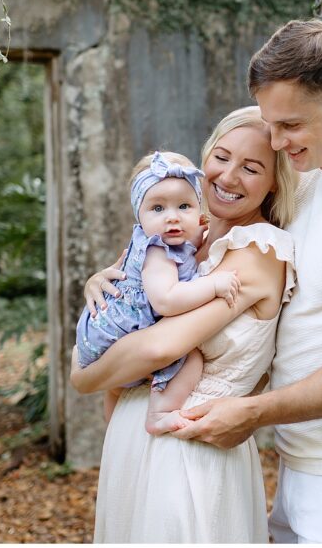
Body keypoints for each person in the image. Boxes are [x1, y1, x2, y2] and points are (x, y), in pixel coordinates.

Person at [86, 20, 322, 542]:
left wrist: (252, 414)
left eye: (291, 125)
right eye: (271, 125)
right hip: (299, 466)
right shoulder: (305, 189)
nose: (277, 141)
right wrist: (114, 283)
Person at [70, 106, 298, 542]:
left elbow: (159, 347)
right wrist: (99, 284)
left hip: (190, 444)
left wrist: (83, 380)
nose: (228, 177)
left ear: (274, 182)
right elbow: (119, 313)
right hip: (132, 435)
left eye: (251, 168)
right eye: (221, 156)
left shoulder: (260, 250)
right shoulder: (178, 232)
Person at [73, 150, 241, 434]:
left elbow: (188, 249)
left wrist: (198, 235)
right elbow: (166, 301)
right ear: (139, 215)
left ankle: (116, 431)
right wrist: (213, 285)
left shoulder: (173, 243)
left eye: (184, 206)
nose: (172, 218)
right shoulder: (157, 252)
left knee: (115, 390)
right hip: (116, 334)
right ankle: (159, 413)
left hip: (101, 337)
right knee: (192, 358)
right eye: (158, 209)